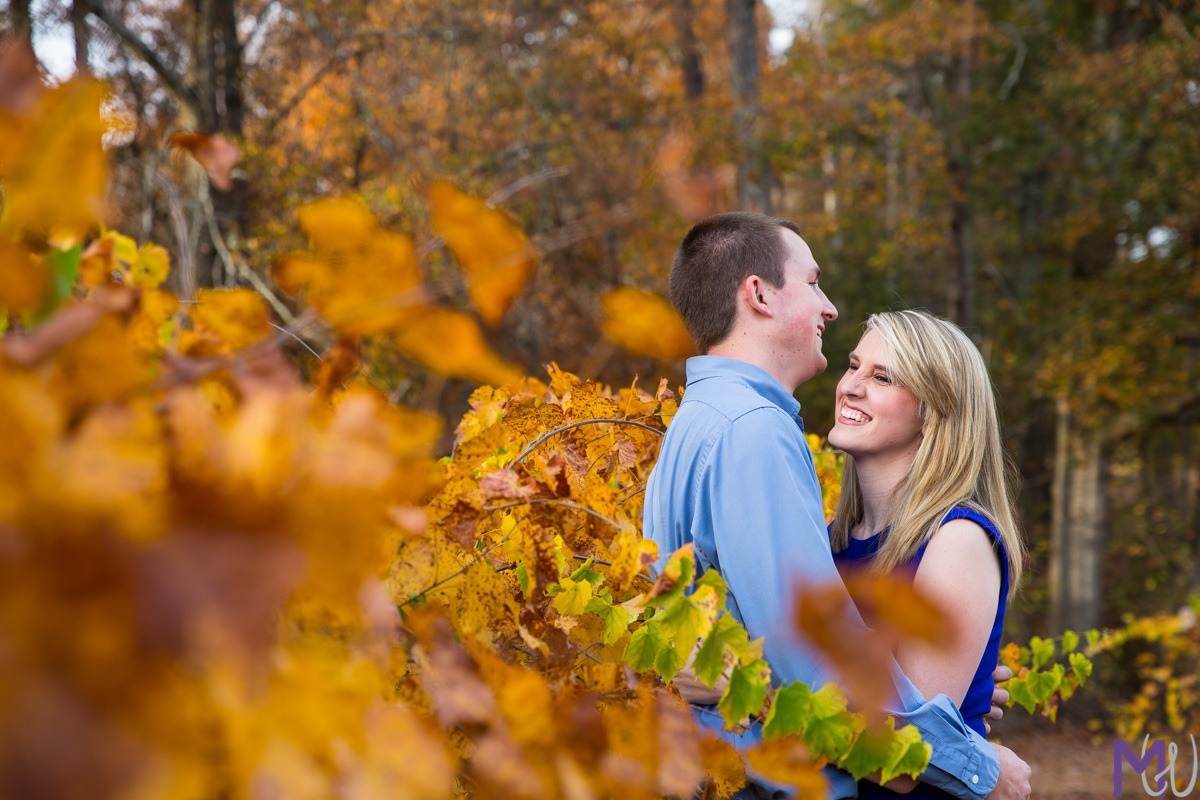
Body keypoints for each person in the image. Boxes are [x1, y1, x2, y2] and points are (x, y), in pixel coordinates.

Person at [643, 212, 1030, 800]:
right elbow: (810, 663)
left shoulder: (698, 425)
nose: (829, 308)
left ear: (936, 412)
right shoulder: (755, 434)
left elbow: (791, 657)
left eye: (882, 375)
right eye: (814, 282)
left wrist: (961, 705)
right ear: (759, 294)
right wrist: (974, 762)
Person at [827, 310, 1025, 799]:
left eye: (881, 377)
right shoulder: (830, 542)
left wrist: (748, 696)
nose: (850, 386)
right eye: (854, 366)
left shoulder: (956, 540)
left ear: (932, 410)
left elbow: (908, 752)